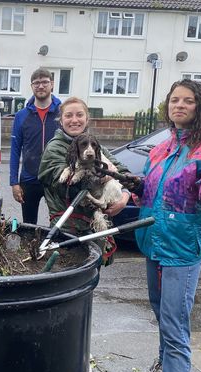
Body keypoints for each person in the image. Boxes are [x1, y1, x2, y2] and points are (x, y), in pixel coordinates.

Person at [129, 79, 201, 372]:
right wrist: (127, 192)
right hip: (153, 242)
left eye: (187, 101)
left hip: (182, 250)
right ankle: (161, 370)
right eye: (174, 100)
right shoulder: (160, 148)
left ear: (199, 106)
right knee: (162, 315)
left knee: (175, 327)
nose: (179, 105)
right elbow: (151, 191)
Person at [38, 96, 131, 257]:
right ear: (61, 120)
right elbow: (67, 185)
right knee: (69, 276)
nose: (74, 120)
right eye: (68, 115)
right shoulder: (54, 148)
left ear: (87, 119)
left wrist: (124, 197)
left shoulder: (93, 144)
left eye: (79, 115)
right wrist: (106, 176)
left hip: (95, 227)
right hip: (68, 227)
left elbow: (123, 171)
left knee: (93, 274)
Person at [9, 67, 61, 224]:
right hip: (29, 179)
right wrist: (14, 182)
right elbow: (15, 149)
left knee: (60, 223)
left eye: (45, 82)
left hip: (56, 178)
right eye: (36, 83)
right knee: (29, 225)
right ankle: (32, 249)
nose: (40, 86)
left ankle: (54, 248)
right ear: (31, 86)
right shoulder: (21, 116)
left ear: (52, 84)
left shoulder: (62, 113)